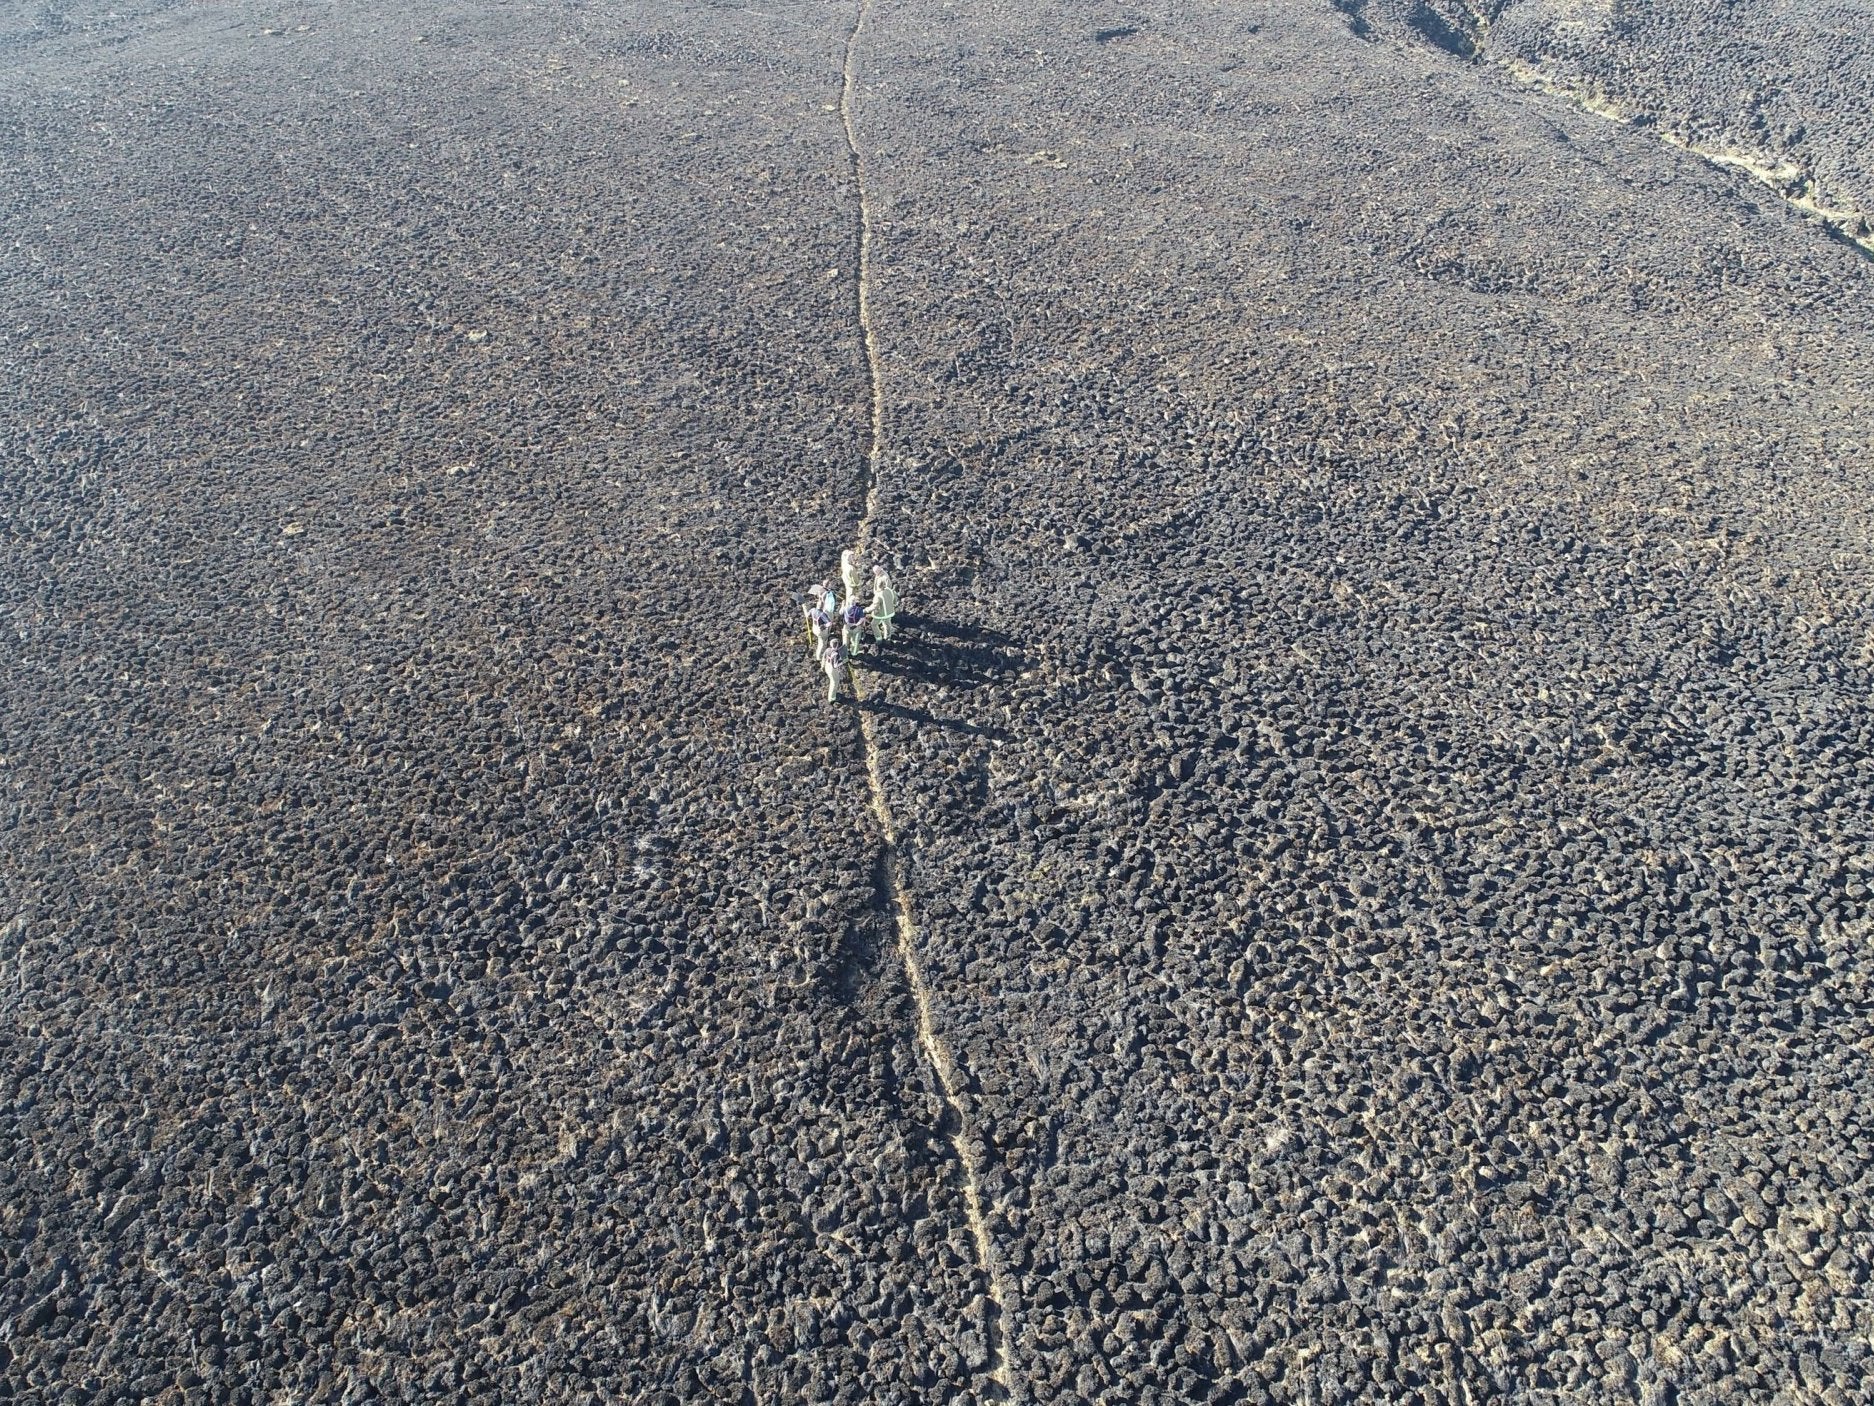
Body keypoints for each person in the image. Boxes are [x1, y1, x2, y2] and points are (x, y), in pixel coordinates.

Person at [869, 564, 898, 642]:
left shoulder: (885, 577)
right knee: (887, 622)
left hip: (881, 607)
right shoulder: (878, 575)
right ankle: (887, 637)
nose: (876, 574)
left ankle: (880, 639)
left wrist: (866, 610)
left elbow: (889, 588)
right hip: (886, 607)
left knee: (876, 623)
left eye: (876, 572)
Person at [820, 637, 850, 702]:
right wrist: (844, 661)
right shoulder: (835, 654)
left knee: (832, 681)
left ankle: (831, 696)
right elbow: (835, 665)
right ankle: (832, 698)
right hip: (832, 670)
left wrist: (822, 666)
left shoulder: (827, 650)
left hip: (826, 666)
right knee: (834, 682)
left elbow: (823, 658)